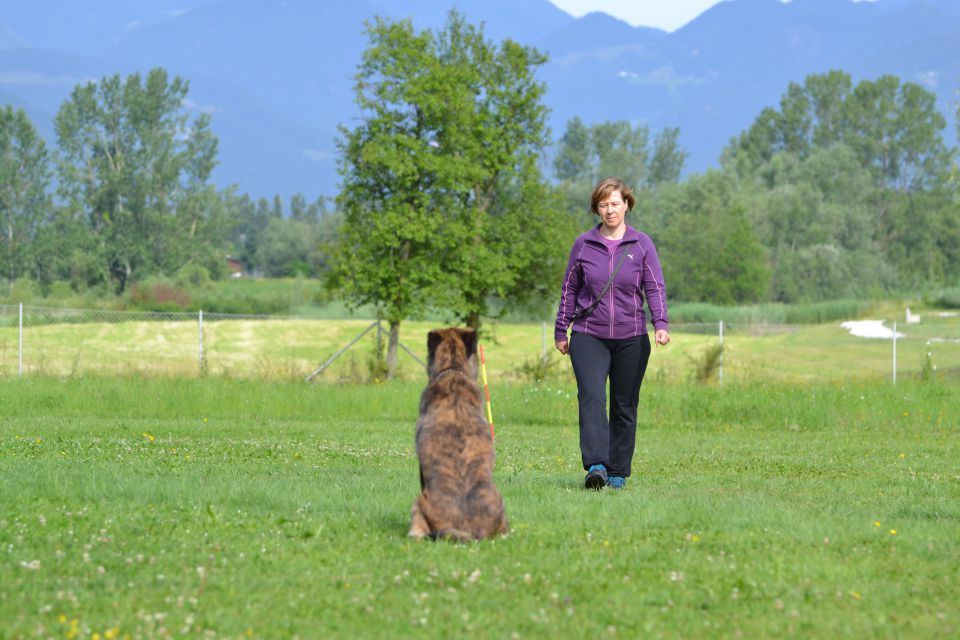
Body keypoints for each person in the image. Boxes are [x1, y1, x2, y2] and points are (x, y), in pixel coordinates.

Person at [554, 177, 670, 490]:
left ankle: (618, 471)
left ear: (627, 205)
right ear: (597, 208)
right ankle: (596, 466)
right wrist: (560, 330)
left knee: (624, 403)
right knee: (591, 397)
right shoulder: (583, 244)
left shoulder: (641, 244)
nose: (609, 210)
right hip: (588, 335)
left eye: (615, 203)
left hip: (631, 336)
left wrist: (660, 324)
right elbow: (569, 289)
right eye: (603, 204)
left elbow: (654, 286)